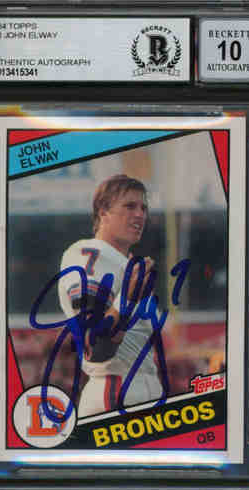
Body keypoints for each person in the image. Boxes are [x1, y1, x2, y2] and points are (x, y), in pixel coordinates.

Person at [57, 174, 162, 417]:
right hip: (116, 390)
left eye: (143, 208)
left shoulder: (126, 264)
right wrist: (127, 299)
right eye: (130, 206)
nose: (140, 214)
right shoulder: (90, 253)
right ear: (103, 211)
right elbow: (95, 348)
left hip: (141, 387)